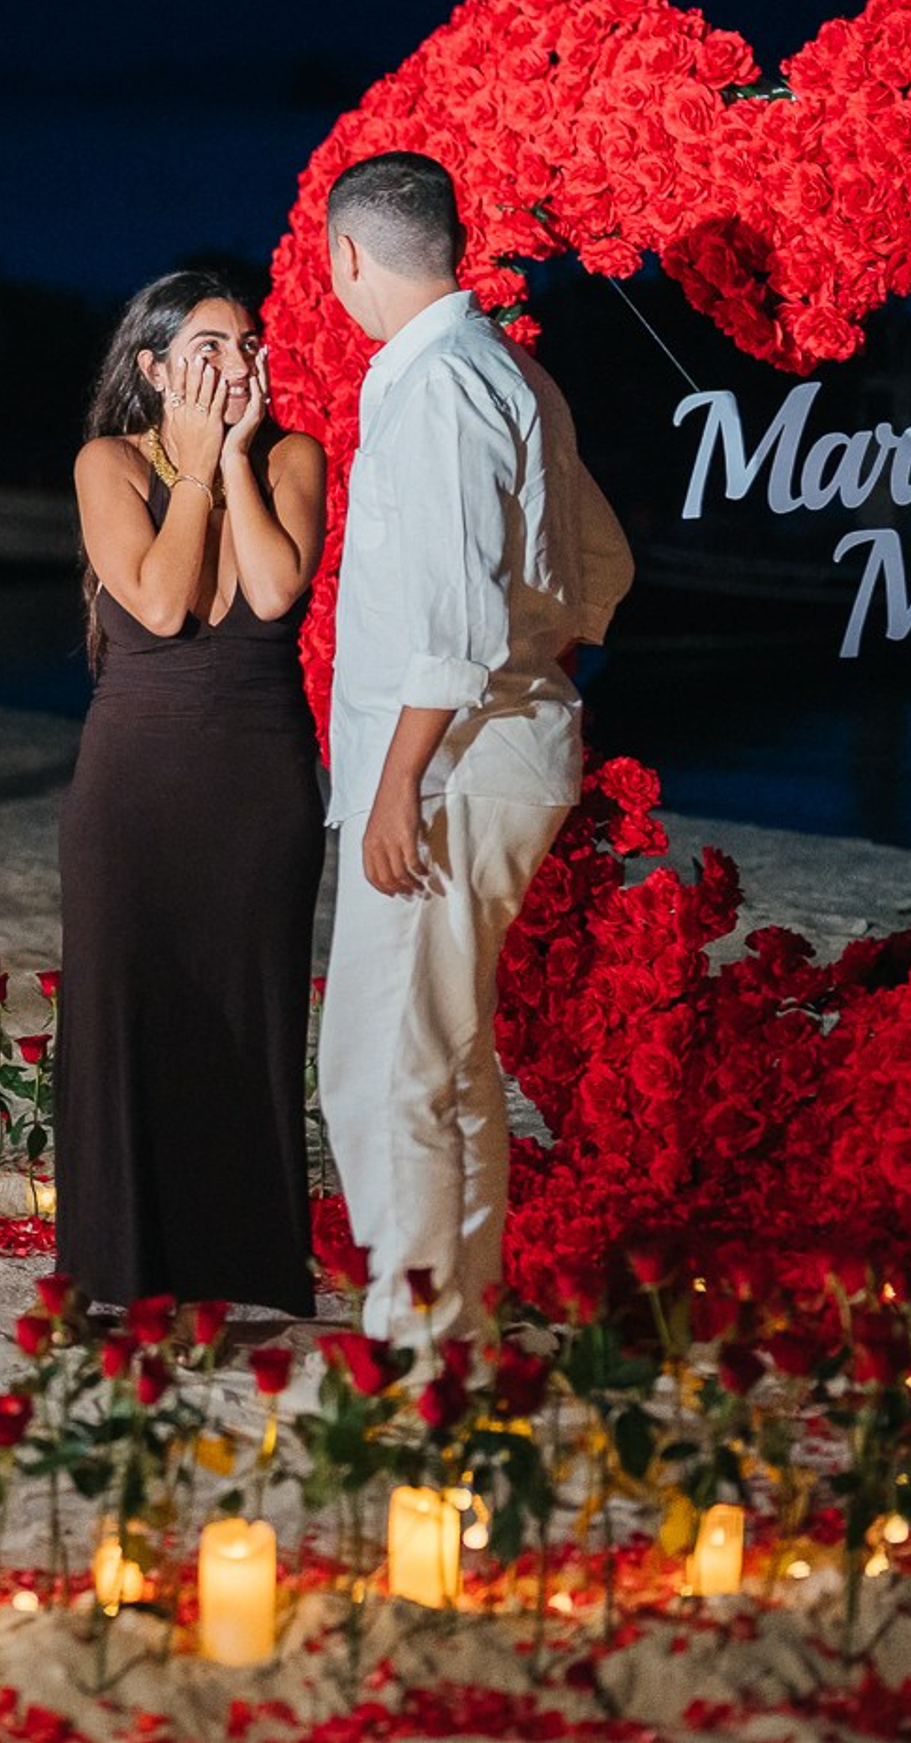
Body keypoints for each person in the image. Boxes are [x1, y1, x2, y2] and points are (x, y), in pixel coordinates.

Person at [318, 151, 633, 1346]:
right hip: (493, 747)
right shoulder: (506, 371)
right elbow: (600, 559)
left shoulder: (442, 383)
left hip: (448, 766)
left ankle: (419, 1343)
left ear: (349, 255)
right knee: (440, 1055)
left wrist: (398, 782)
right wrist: (555, 653)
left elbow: (450, 623)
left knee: (383, 1063)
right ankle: (457, 1318)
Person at [56, 270, 328, 1315]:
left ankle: (247, 1265)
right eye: (209, 347)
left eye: (247, 342)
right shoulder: (106, 463)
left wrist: (236, 466)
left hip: (258, 785)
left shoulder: (294, 455)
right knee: (125, 1012)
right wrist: (197, 473)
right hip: (133, 787)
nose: (236, 362)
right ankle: (120, 1270)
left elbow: (268, 590)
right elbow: (163, 603)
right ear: (154, 368)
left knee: (249, 1015)